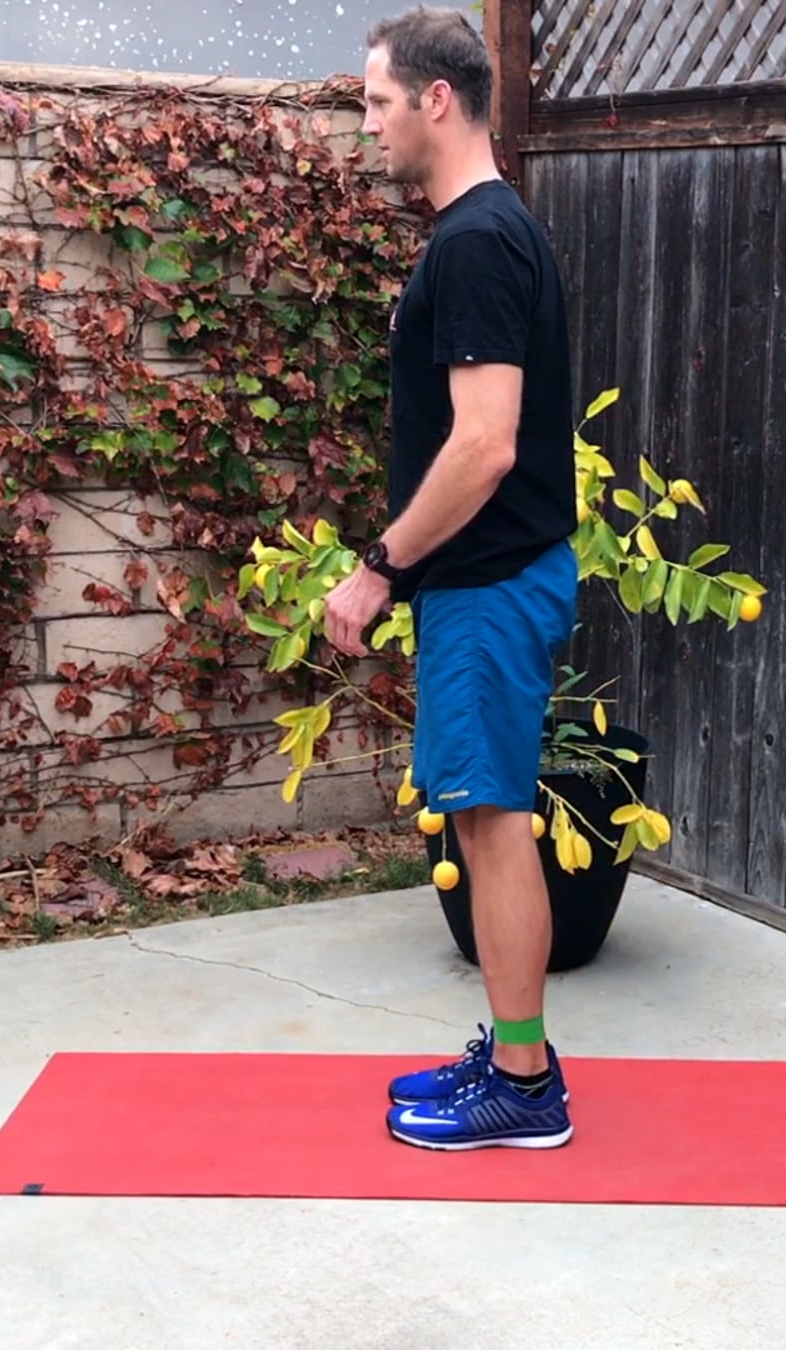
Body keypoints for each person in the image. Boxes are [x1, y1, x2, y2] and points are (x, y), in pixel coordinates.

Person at [323, 6, 578, 1151]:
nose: (367, 124)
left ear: (436, 100)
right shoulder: (488, 228)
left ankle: (524, 1086)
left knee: (492, 823)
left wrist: (380, 567)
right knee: (483, 819)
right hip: (492, 580)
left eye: (378, 101)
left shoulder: (475, 241)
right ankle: (515, 1054)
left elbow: (484, 444)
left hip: (488, 582)